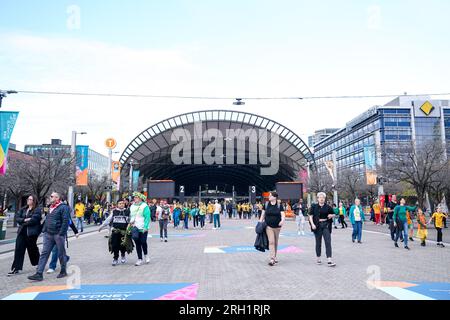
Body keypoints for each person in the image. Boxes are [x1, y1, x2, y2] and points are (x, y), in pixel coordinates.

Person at [28, 192, 70, 281]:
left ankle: (63, 271)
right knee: (44, 253)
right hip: (48, 234)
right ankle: (39, 273)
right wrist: (44, 230)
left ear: (57, 198)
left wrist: (61, 233)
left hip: (58, 234)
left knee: (61, 253)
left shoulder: (64, 207)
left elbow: (65, 221)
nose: (50, 198)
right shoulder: (50, 207)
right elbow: (47, 218)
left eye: (51, 196)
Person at [8, 195, 42, 276]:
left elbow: (34, 220)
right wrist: (25, 219)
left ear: (34, 201)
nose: (28, 200)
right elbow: (17, 218)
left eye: (30, 199)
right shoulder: (23, 209)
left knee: (32, 249)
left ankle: (39, 264)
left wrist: (23, 221)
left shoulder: (37, 210)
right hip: (22, 232)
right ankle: (16, 268)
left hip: (31, 233)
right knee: (18, 249)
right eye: (28, 199)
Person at [47, 203, 79, 274]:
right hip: (53, 234)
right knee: (57, 250)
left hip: (60, 235)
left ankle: (52, 266)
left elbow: (71, 224)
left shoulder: (67, 217)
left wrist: (76, 232)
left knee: (55, 250)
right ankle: (66, 258)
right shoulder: (57, 214)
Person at [99, 199, 132, 265]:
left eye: (122, 203)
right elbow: (108, 220)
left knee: (123, 245)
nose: (121, 204)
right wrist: (101, 227)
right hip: (115, 231)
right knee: (115, 245)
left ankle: (123, 255)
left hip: (124, 232)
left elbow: (131, 220)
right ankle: (115, 258)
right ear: (117, 205)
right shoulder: (114, 212)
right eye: (120, 203)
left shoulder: (127, 211)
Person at [308, 192, 336, 267]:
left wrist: (331, 215)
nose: (321, 199)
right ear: (317, 199)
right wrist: (312, 224)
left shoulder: (328, 207)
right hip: (317, 226)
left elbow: (333, 214)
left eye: (323, 197)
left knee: (328, 242)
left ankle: (329, 260)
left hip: (326, 225)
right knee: (318, 242)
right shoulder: (314, 206)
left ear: (324, 198)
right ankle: (318, 258)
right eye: (320, 197)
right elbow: (310, 216)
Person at [259, 191, 285, 266]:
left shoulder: (279, 205)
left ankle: (275, 256)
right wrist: (260, 222)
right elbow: (263, 214)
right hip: (268, 226)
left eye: (270, 196)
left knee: (276, 242)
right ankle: (272, 259)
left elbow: (283, 214)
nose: (269, 197)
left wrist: (282, 221)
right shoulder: (266, 204)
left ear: (274, 197)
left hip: (277, 227)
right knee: (271, 241)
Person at [129, 192, 151, 266]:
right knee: (137, 243)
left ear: (140, 198)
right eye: (134, 197)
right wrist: (130, 222)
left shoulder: (145, 206)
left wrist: (145, 227)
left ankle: (146, 255)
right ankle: (139, 259)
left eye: (136, 197)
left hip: (143, 227)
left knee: (143, 241)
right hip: (135, 227)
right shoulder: (132, 206)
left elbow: (147, 217)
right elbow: (130, 216)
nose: (135, 198)